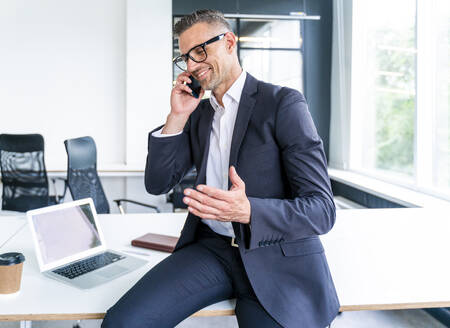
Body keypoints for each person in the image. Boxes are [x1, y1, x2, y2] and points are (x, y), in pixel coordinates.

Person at [102, 9, 339, 328]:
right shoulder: (199, 115)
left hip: (274, 258)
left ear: (229, 41)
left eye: (200, 51)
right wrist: (177, 116)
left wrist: (249, 211)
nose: (192, 65)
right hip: (212, 251)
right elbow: (158, 183)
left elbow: (322, 210)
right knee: (122, 324)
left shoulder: (283, 104)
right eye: (185, 57)